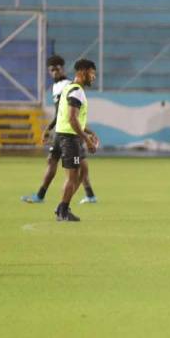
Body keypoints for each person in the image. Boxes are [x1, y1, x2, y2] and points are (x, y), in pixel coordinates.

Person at [23, 55, 98, 204]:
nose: (55, 72)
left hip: (68, 133)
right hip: (63, 131)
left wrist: (50, 128)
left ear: (63, 68)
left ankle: (80, 198)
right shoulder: (58, 86)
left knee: (78, 167)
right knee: (58, 162)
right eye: (52, 69)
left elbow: (67, 114)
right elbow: (63, 113)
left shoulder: (66, 85)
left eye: (57, 68)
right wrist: (51, 128)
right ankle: (43, 196)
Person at [52, 59, 100, 222]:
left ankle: (62, 207)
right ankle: (62, 211)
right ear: (82, 72)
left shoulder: (69, 88)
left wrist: (90, 131)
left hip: (64, 136)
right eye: (92, 73)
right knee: (73, 176)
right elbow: (72, 119)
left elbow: (70, 118)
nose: (94, 77)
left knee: (81, 172)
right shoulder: (77, 91)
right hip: (69, 139)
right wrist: (86, 139)